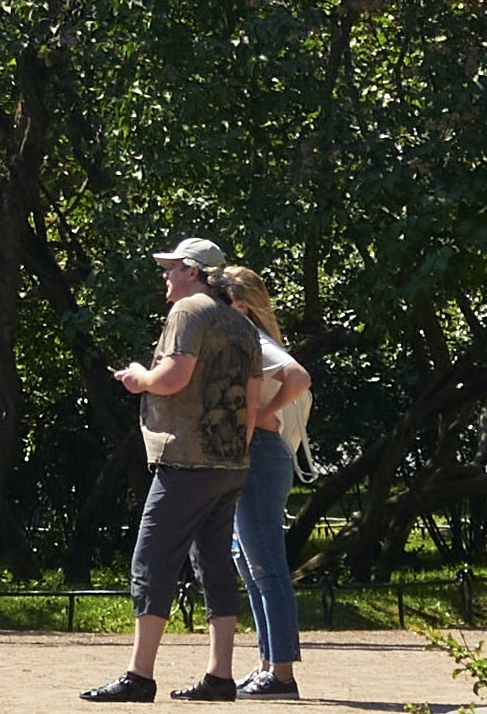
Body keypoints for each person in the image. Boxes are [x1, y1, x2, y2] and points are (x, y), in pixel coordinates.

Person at [84, 235, 258, 704]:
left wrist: (138, 377)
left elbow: (174, 378)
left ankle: (139, 676)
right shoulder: (242, 324)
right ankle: (220, 677)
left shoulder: (188, 312)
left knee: (151, 560)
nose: (165, 275)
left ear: (193, 272)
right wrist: (235, 457)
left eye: (172, 267)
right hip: (230, 463)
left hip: (185, 459)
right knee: (215, 565)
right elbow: (254, 400)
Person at [226, 267, 312, 703]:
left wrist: (263, 413)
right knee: (249, 562)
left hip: (261, 452)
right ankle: (267, 665)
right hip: (255, 454)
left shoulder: (257, 343)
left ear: (241, 304)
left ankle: (281, 672)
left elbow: (299, 377)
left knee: (267, 567)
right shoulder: (248, 343)